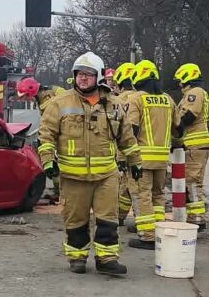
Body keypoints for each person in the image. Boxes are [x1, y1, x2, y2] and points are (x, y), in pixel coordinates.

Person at [38, 52, 141, 276]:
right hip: (72, 177)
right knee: (76, 220)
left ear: (99, 77)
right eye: (79, 74)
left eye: (89, 74)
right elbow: (46, 136)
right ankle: (77, 258)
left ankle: (107, 260)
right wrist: (48, 162)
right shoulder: (59, 103)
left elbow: (127, 138)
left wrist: (136, 162)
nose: (83, 78)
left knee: (108, 219)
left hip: (106, 176)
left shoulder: (113, 104)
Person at [126, 60, 175, 250]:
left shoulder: (137, 99)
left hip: (142, 159)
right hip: (162, 160)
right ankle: (159, 232)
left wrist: (125, 156)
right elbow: (177, 129)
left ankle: (147, 236)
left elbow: (131, 130)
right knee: (158, 196)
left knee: (142, 195)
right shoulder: (168, 99)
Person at [172, 63, 209, 230]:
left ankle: (197, 218)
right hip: (192, 145)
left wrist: (175, 127)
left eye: (180, 80)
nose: (179, 84)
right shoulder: (194, 93)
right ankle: (195, 216)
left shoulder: (194, 93)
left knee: (193, 183)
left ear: (187, 77)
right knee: (191, 182)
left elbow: (189, 116)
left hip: (195, 145)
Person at [16, 77, 66, 202]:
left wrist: (45, 137)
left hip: (60, 132)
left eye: (25, 96)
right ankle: (59, 192)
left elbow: (50, 120)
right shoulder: (45, 94)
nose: (24, 99)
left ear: (31, 92)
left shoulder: (47, 101)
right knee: (54, 161)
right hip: (58, 130)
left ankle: (61, 193)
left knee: (55, 161)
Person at [111, 63, 140, 226]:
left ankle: (119, 217)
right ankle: (120, 216)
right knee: (131, 187)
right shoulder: (140, 97)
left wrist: (120, 156)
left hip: (124, 150)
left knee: (126, 186)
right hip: (141, 150)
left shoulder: (118, 100)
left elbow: (122, 131)